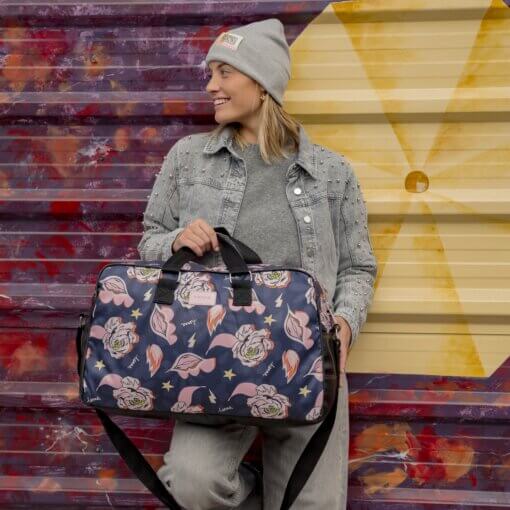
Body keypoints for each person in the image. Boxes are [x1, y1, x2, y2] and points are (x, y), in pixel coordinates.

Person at [137, 17, 377, 510]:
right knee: (192, 484)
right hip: (215, 357)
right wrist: (176, 240)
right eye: (210, 74)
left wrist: (345, 325)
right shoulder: (188, 159)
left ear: (262, 83)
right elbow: (149, 240)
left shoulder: (331, 172)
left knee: (312, 505)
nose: (211, 86)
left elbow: (358, 266)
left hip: (306, 360)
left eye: (224, 72)